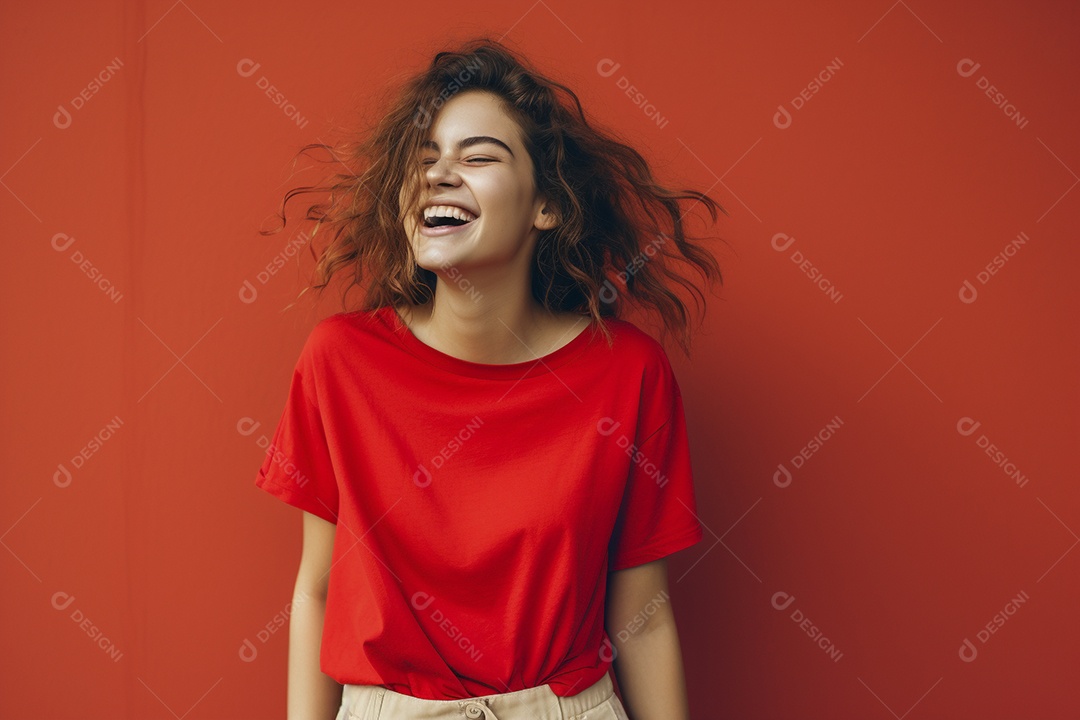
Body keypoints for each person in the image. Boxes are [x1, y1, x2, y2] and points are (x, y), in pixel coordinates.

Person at [254, 36, 729, 720]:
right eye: (424, 160)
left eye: (477, 157)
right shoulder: (339, 361)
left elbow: (642, 619)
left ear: (549, 207)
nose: (439, 174)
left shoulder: (628, 373)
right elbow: (318, 591)